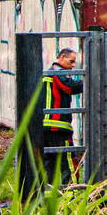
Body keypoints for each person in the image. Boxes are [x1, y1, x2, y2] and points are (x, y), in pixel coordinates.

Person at [42, 47, 84, 185]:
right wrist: (92, 80)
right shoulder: (57, 72)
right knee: (68, 161)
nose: (73, 66)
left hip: (46, 127)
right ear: (62, 57)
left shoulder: (48, 73)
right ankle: (73, 195)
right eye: (71, 61)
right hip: (58, 127)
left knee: (49, 164)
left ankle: (49, 198)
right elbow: (69, 87)